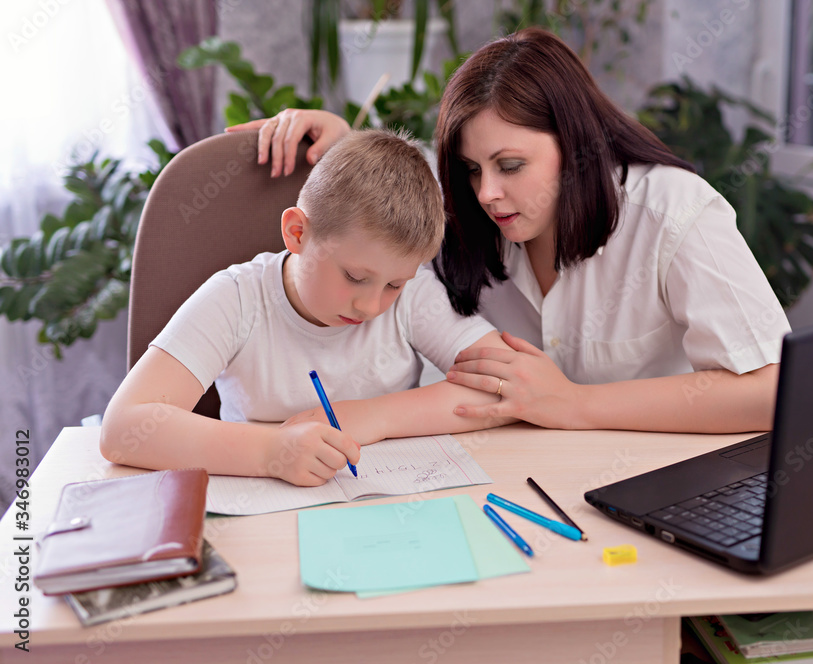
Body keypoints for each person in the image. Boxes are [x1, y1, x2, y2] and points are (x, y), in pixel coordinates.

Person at [229, 28, 791, 435]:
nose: (486, 193)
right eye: (472, 169)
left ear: (575, 143)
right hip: (505, 476)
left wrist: (574, 405)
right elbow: (384, 202)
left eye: (511, 166)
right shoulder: (463, 204)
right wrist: (345, 138)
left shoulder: (673, 212)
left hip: (640, 480)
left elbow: (772, 392)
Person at [101, 129, 513, 487]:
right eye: (354, 277)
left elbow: (507, 385)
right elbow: (123, 428)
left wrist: (372, 417)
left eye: (393, 284)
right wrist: (270, 452)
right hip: (262, 511)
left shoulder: (413, 293)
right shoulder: (237, 298)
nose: (371, 305)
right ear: (297, 232)